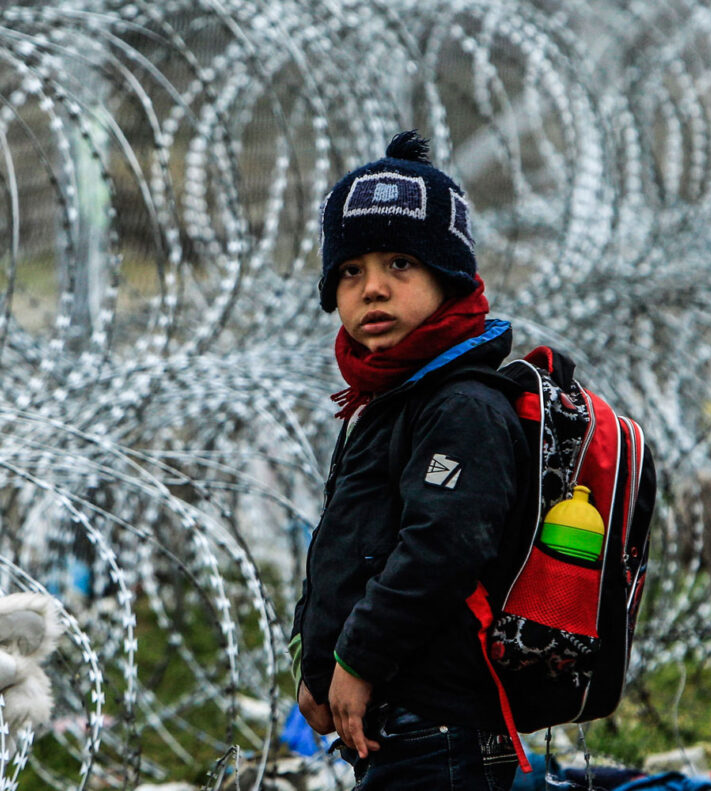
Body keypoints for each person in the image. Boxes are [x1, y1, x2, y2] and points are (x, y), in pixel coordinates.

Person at [289, 130, 534, 790]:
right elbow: (349, 546)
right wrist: (318, 663)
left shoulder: (463, 406)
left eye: (400, 263)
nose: (372, 288)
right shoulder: (387, 402)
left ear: (447, 278)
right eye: (350, 271)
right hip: (398, 723)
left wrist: (357, 660)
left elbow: (442, 547)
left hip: (440, 726)